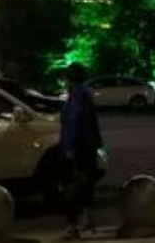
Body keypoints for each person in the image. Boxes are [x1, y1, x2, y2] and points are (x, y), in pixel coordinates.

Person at [60, 63, 104, 240]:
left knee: (72, 187)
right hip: (87, 147)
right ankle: (88, 220)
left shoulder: (77, 94)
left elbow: (75, 120)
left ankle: (72, 227)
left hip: (78, 148)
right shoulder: (84, 93)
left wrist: (70, 148)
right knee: (85, 184)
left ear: (69, 78)